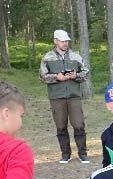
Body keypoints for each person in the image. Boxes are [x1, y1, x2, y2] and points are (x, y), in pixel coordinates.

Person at [40, 29, 90, 164]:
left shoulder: (76, 56)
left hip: (74, 96)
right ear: (55, 41)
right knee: (61, 126)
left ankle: (83, 153)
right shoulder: (47, 57)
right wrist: (57, 77)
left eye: (66, 41)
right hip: (56, 97)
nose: (65, 43)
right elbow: (42, 77)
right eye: (62, 41)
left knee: (79, 124)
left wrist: (76, 76)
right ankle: (65, 154)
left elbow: (86, 73)